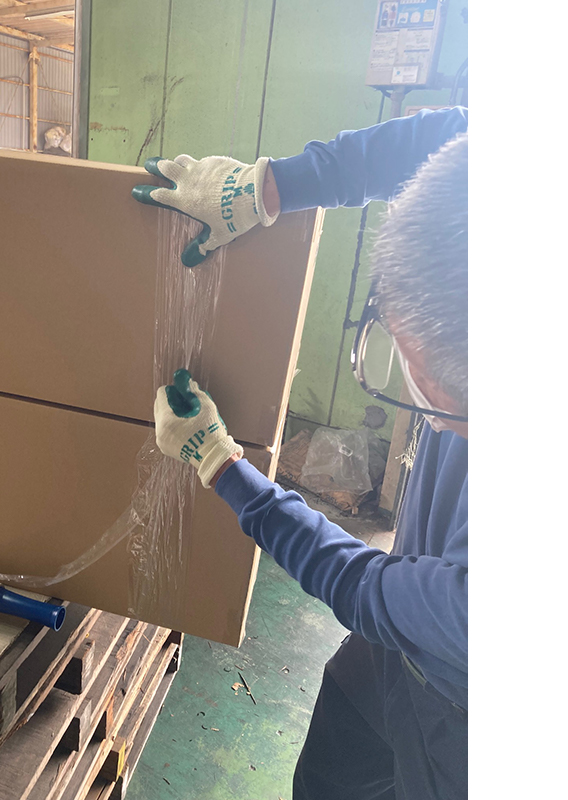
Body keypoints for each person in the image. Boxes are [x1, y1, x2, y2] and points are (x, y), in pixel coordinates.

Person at [134, 107, 468, 800]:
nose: (428, 422)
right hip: (393, 650)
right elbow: (458, 141)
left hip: (460, 712)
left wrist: (222, 465)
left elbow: (365, 586)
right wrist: (273, 186)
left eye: (438, 401)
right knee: (328, 776)